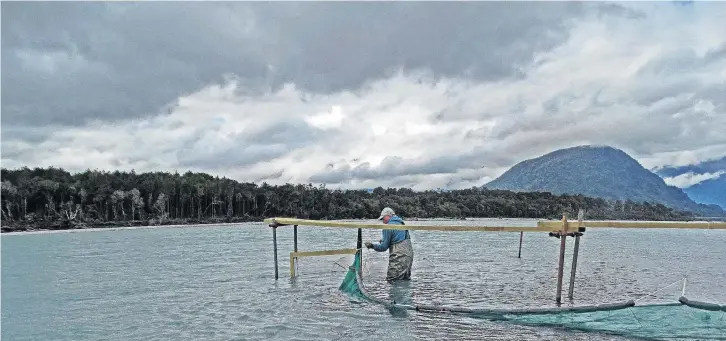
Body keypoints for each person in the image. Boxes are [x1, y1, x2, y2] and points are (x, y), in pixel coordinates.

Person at [364, 207, 414, 281]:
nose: (382, 221)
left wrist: (372, 245)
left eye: (382, 218)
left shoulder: (388, 227)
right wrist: (384, 240)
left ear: (388, 216)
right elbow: (398, 238)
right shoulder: (401, 223)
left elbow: (383, 247)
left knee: (392, 280)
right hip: (409, 256)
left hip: (399, 257)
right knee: (405, 280)